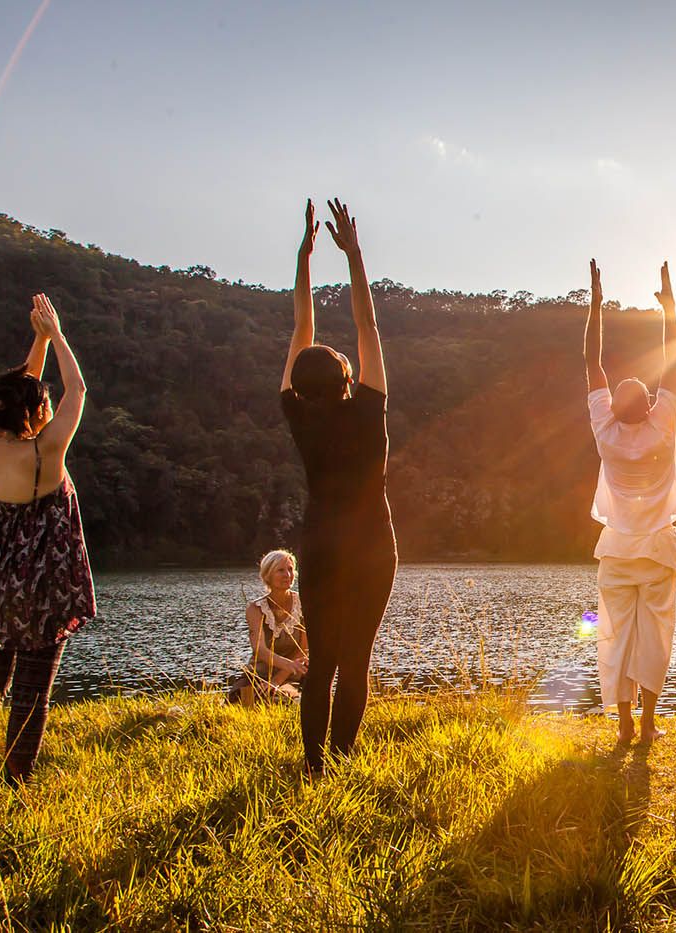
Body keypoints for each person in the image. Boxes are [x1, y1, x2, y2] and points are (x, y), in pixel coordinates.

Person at [281, 199, 397, 774]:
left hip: (321, 543)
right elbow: (366, 325)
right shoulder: (370, 408)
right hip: (374, 543)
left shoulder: (297, 413)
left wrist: (303, 258)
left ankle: (313, 767)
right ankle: (343, 761)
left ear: (301, 385)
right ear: (348, 378)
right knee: (357, 660)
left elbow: (302, 327)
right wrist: (354, 256)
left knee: (320, 660)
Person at [0, 294, 94, 783]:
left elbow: (25, 388)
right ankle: (18, 778)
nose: (49, 400)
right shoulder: (49, 449)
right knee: (32, 690)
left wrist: (35, 338)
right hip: (41, 584)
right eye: (43, 401)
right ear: (36, 412)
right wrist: (56, 334)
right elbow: (76, 387)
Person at [584, 258, 676, 743]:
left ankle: (624, 723)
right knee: (653, 636)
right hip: (659, 550)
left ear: (614, 408)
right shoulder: (663, 426)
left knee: (617, 635)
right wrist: (669, 308)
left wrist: (596, 304)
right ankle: (646, 723)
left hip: (617, 552)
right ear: (648, 405)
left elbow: (592, 365)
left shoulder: (604, 433)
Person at [227, 550, 308, 705]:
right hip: (258, 674)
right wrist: (287, 665)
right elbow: (261, 651)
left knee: (282, 700)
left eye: (290, 569)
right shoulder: (255, 609)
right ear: (268, 575)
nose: (287, 575)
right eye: (281, 570)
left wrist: (277, 681)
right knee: (241, 701)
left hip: (290, 675)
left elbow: (302, 651)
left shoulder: (303, 604)